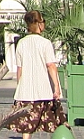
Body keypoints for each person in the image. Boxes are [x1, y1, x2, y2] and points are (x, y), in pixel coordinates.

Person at [10, 10, 63, 139]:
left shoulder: (21, 43)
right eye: (43, 21)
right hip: (44, 90)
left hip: (26, 91)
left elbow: (20, 69)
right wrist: (56, 87)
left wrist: (20, 86)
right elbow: (51, 66)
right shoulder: (45, 43)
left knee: (27, 125)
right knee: (53, 120)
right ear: (39, 24)